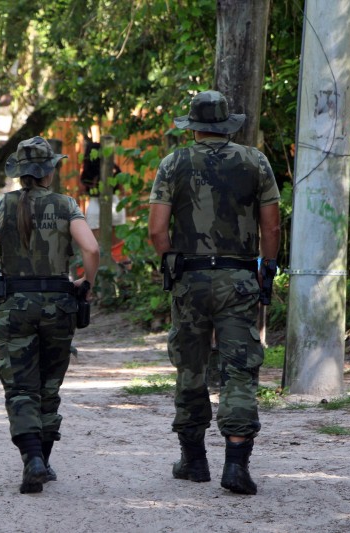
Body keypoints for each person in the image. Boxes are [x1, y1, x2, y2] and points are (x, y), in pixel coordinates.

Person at [148, 90, 281, 495]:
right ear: (226, 124)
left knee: (190, 366)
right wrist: (267, 268)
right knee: (238, 368)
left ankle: (194, 460)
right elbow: (271, 227)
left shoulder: (173, 163)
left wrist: (172, 262)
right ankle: (236, 464)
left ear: (194, 126)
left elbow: (156, 230)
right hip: (238, 279)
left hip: (189, 280)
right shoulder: (254, 161)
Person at [0, 136, 100, 494]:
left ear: (19, 171)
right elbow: (91, 247)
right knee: (48, 384)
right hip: (59, 306)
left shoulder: (0, 207)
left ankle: (33, 460)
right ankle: (42, 458)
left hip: (15, 306)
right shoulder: (66, 205)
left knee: (19, 386)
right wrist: (86, 282)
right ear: (50, 170)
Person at [80, 141, 126, 246]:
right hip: (115, 205)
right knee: (117, 247)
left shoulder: (87, 171)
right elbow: (122, 189)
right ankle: (124, 263)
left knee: (96, 247)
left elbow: (81, 190)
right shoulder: (114, 169)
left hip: (95, 207)